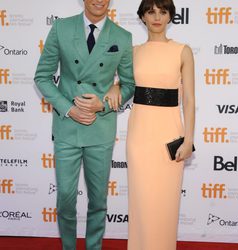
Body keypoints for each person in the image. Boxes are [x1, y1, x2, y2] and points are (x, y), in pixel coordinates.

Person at [34, 0, 135, 249]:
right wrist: (69, 109)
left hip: (100, 129)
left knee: (98, 201)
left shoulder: (122, 36)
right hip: (67, 127)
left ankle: (93, 247)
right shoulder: (61, 28)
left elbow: (129, 84)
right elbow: (42, 77)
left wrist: (103, 104)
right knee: (66, 199)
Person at [105, 0, 195, 249]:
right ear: (142, 17)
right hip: (139, 136)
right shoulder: (132, 52)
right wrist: (115, 85)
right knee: (141, 200)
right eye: (151, 12)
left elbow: (188, 99)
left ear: (170, 17)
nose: (157, 17)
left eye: (163, 12)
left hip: (169, 135)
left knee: (165, 201)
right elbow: (120, 83)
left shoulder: (182, 50)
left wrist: (188, 140)